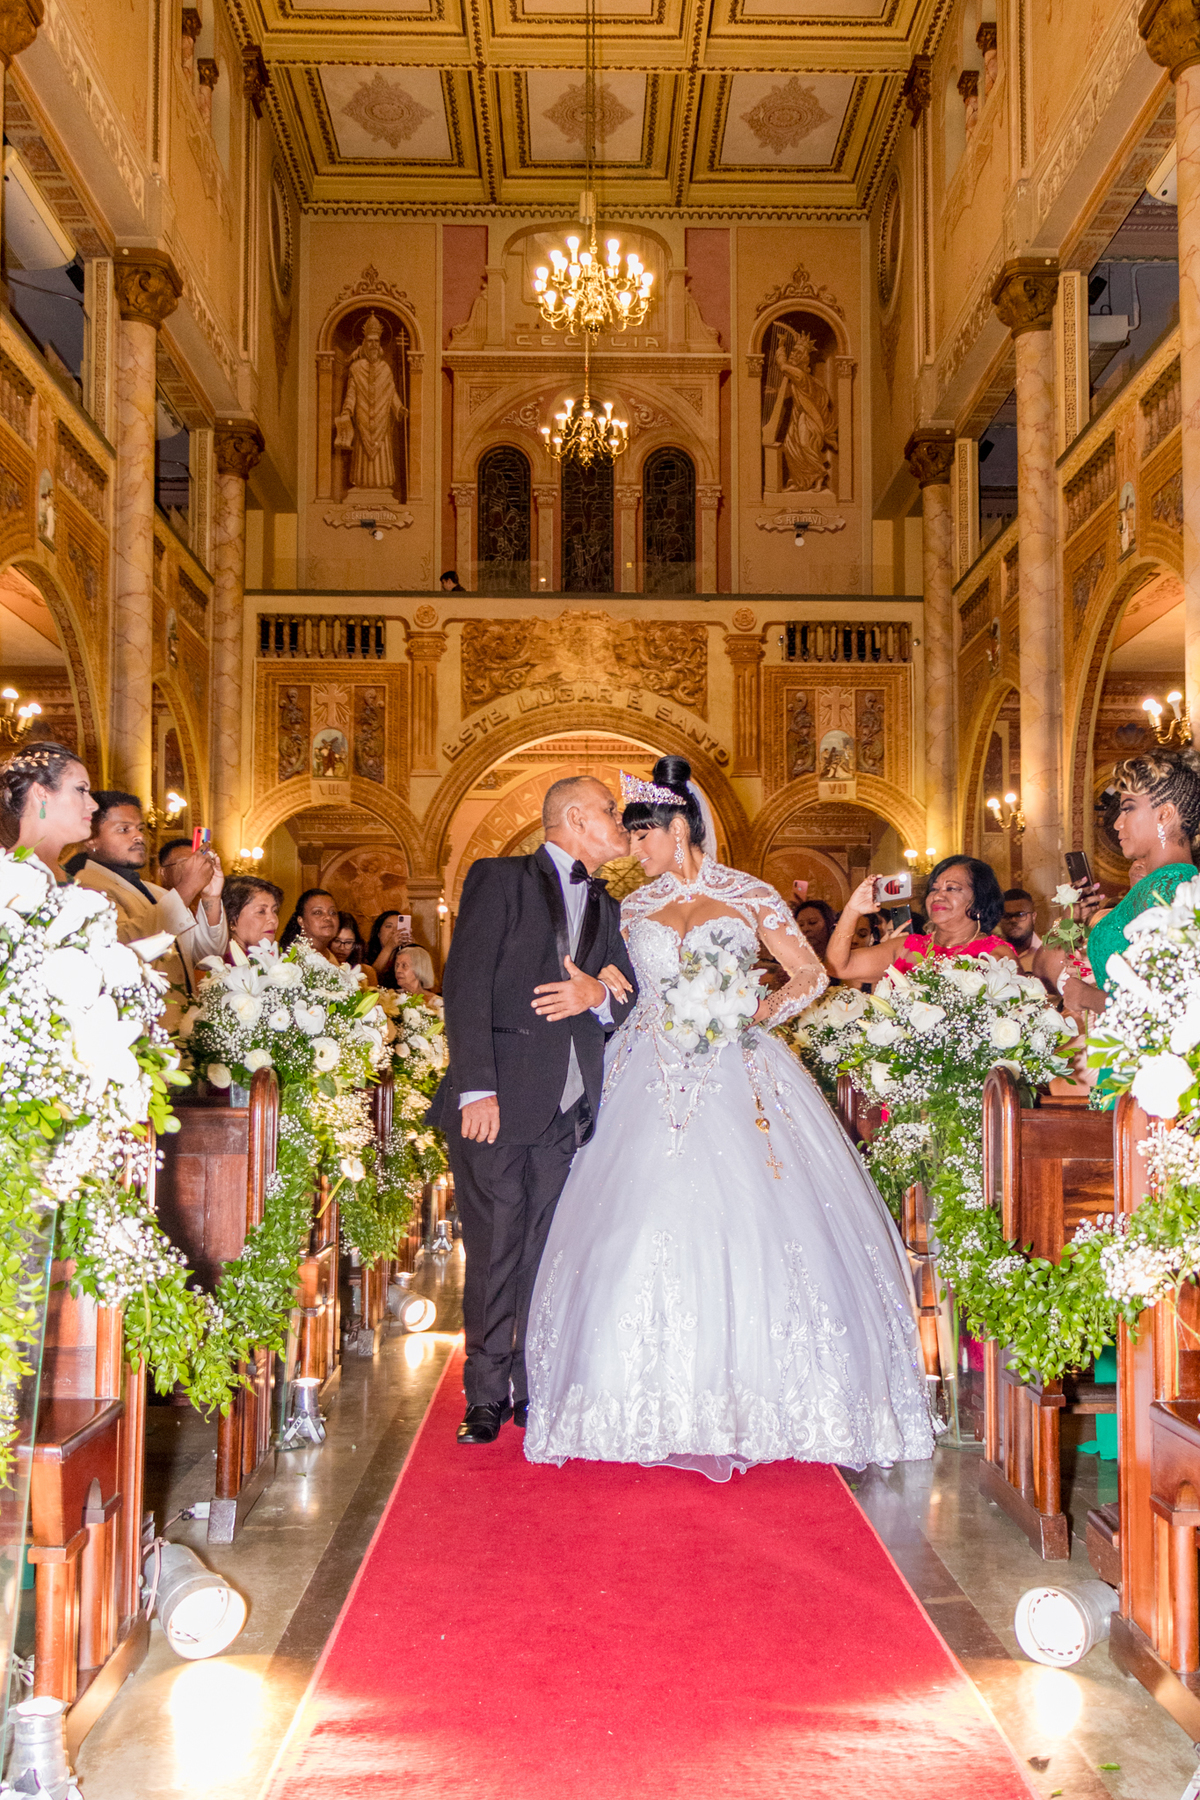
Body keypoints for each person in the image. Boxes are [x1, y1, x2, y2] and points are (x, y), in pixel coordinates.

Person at [524, 757, 933, 1479]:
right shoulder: (632, 910)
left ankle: (764, 1394)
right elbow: (617, 989)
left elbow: (808, 973)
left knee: (754, 1216)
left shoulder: (750, 896)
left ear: (677, 829)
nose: (635, 851)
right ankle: (637, 1394)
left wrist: (756, 1011)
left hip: (736, 1062)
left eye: (643, 837)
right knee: (639, 1215)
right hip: (648, 1067)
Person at [427, 775, 638, 1447]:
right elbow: (465, 984)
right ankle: (484, 1396)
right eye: (610, 811)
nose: (621, 822)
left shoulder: (608, 905)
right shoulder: (501, 878)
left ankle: (531, 1385)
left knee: (547, 1255)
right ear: (576, 818)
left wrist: (594, 1000)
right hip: (496, 1100)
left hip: (567, 1108)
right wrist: (474, 1089)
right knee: (494, 1251)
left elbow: (627, 998)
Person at [1034, 749, 1200, 1032]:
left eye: (1128, 808)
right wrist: (1069, 922)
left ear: (1165, 814)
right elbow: (1045, 968)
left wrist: (1087, 997)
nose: (1117, 823)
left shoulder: (1168, 888)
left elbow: (1170, 1010)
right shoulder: (1160, 885)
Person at [74, 794, 227, 996]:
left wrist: (211, 897)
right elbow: (121, 948)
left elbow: (206, 955)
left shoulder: (157, 892)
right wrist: (187, 888)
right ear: (90, 839)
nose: (138, 837)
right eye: (124, 829)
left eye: (140, 828)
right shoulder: (85, 887)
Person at [825, 855, 1016, 983]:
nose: (938, 896)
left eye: (951, 888)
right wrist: (852, 910)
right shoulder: (905, 947)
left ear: (980, 899)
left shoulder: (996, 956)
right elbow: (839, 967)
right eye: (934, 889)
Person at [0, 740, 97, 880]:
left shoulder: (70, 878)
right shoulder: (6, 877)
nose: (94, 805)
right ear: (42, 793)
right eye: (80, 790)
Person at [224, 875, 283, 957]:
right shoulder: (225, 966)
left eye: (274, 911)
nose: (273, 919)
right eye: (261, 912)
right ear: (231, 922)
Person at [280, 888, 340, 960]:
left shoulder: (330, 956)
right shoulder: (295, 959)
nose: (328, 917)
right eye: (318, 912)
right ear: (301, 921)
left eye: (333, 912)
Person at [330, 910, 378, 988]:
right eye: (336, 941)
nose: (342, 948)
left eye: (348, 942)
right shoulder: (316, 967)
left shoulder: (367, 972)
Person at [999, 887, 1042, 974]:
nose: (1013, 920)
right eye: (1006, 916)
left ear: (1033, 917)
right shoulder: (993, 953)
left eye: (1020, 915)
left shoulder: (1045, 953)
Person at [367, 909, 409, 987]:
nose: (394, 931)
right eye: (389, 926)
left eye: (398, 927)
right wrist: (389, 947)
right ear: (378, 933)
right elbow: (370, 978)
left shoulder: (405, 956)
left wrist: (413, 948)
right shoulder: (365, 953)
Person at [792, 897, 838, 962]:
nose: (805, 929)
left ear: (828, 923)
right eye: (801, 925)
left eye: (812, 922)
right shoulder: (793, 960)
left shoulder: (841, 955)